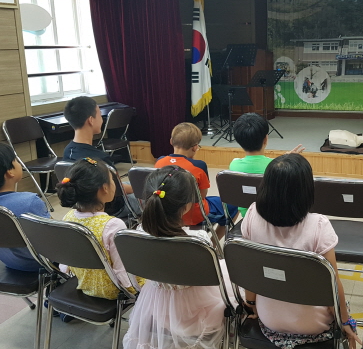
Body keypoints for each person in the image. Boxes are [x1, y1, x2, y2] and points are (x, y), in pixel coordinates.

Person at [241, 154, 361, 349]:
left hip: (268, 318)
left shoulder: (252, 214)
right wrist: (345, 322)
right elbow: (332, 285)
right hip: (314, 325)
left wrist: (251, 304)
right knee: (344, 312)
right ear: (306, 190)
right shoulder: (319, 225)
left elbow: (251, 271)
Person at [123, 166, 237, 349]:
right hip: (194, 310)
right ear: (186, 206)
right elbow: (205, 278)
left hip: (155, 303)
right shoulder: (198, 240)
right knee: (234, 278)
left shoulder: (137, 233)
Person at [56, 157, 143, 300]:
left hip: (82, 283)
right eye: (112, 180)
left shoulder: (68, 217)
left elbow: (66, 265)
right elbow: (121, 271)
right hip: (113, 290)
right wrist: (135, 291)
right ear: (105, 188)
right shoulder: (113, 225)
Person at [155, 122, 239, 239]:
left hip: (166, 212)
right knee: (233, 205)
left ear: (171, 141)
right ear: (195, 147)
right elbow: (201, 195)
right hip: (194, 215)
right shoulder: (199, 165)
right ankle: (213, 244)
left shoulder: (159, 162)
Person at [0, 142, 50, 271]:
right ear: (9, 171)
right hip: (42, 264)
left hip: (9, 262)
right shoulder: (30, 201)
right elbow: (53, 238)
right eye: (16, 160)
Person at [63, 96, 140, 216]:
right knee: (155, 196)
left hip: (83, 205)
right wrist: (141, 189)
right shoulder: (99, 159)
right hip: (114, 207)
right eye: (99, 115)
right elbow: (117, 189)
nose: (102, 120)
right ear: (91, 120)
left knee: (133, 183)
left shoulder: (67, 152)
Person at [229, 113, 304, 217]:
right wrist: (287, 159)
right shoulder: (277, 167)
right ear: (265, 139)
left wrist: (284, 158)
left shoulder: (234, 165)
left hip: (248, 218)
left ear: (238, 140)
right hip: (275, 219)